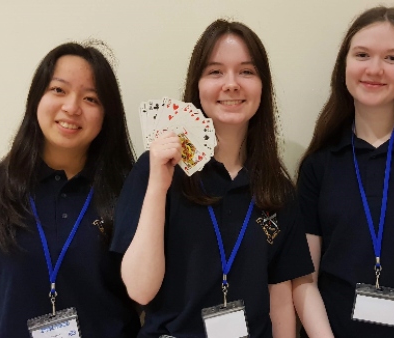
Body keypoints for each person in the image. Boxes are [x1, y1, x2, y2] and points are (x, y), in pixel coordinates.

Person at [111, 19, 313, 338]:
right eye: (215, 71)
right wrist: (157, 186)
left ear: (263, 86)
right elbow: (139, 291)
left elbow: (280, 299)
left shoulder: (277, 188)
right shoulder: (157, 168)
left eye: (246, 71)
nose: (231, 84)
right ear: (197, 85)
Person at [293, 6, 394, 338]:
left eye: (392, 58)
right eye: (362, 54)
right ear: (344, 65)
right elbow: (304, 280)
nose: (375, 69)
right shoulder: (318, 164)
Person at [0, 41, 140, 337]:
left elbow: (145, 296)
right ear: (36, 97)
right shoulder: (3, 185)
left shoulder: (129, 191)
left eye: (91, 98)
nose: (72, 107)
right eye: (59, 90)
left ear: (106, 114)